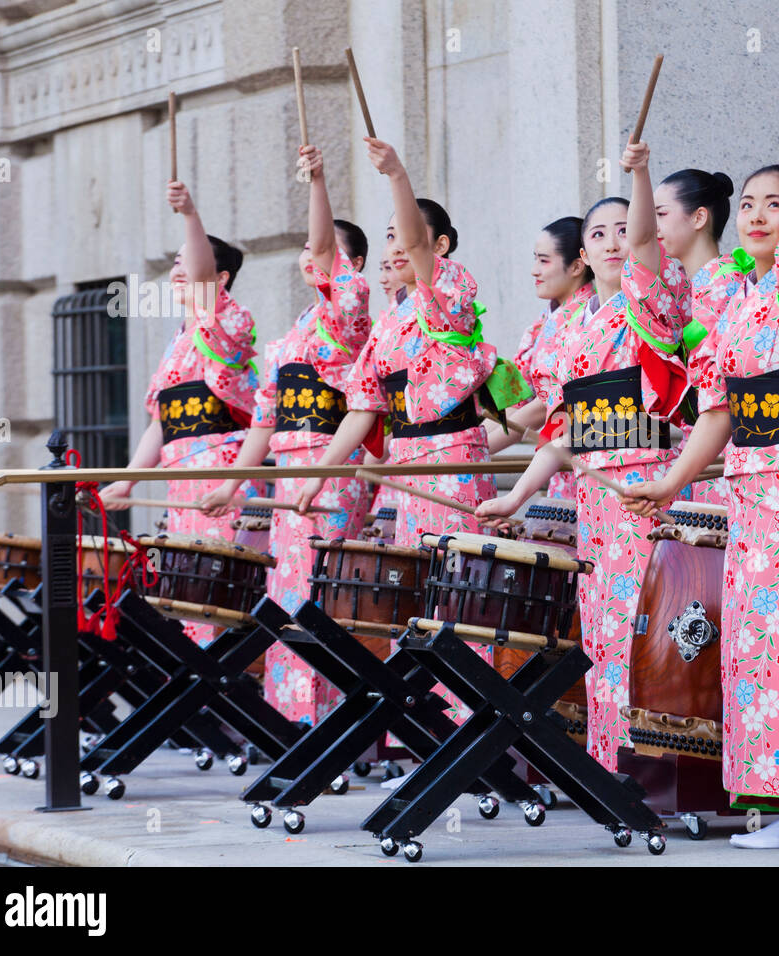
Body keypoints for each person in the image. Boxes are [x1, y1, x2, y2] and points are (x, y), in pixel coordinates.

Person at [623, 82, 779, 848]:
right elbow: (719, 413)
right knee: (758, 642)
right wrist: (672, 479)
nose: (762, 216)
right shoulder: (735, 309)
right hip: (750, 489)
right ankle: (775, 801)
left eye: (772, 203)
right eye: (750, 205)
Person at [477, 142, 691, 773]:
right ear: (584, 252)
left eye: (625, 229)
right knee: (598, 628)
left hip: (644, 482)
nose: (612, 241)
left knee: (641, 622)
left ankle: (651, 763)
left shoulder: (653, 305)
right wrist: (517, 495)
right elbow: (561, 432)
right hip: (594, 493)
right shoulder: (573, 329)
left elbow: (650, 252)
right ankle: (607, 763)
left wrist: (642, 174)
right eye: (598, 232)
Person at [201, 142, 373, 728]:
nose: (309, 255)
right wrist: (233, 486)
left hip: (331, 471)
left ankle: (331, 726)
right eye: (301, 249)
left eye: (318, 249)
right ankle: (292, 723)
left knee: (321, 596)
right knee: (287, 594)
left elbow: (326, 249)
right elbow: (266, 419)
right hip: (287, 477)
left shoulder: (348, 317)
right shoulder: (292, 334)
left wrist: (318, 182)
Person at [294, 139, 499, 546]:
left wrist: (396, 174)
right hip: (406, 464)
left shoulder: (446, 290)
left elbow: (417, 246)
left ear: (440, 246)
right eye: (389, 236)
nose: (398, 244)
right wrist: (319, 475)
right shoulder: (386, 325)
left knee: (456, 583)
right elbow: (362, 410)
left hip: (452, 459)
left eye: (404, 234)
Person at [101, 179, 260, 647]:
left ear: (219, 278)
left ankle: (225, 706)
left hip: (221, 476)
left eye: (184, 262)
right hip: (181, 480)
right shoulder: (177, 341)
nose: (176, 269)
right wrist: (128, 480)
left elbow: (203, 279)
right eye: (173, 262)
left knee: (217, 597)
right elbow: (161, 422)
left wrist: (190, 213)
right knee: (184, 600)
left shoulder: (228, 322)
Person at [485, 216, 595, 502]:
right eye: (535, 259)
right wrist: (470, 438)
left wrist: (477, 446)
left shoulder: (586, 319)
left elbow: (546, 405)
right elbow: (512, 400)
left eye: (544, 261)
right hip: (555, 455)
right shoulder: (543, 322)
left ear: (576, 266)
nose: (534, 271)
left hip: (584, 456)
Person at [653, 167, 741, 505]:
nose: (654, 227)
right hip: (704, 453)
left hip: (723, 451)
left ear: (699, 217)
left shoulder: (723, 286)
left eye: (661, 214)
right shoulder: (694, 287)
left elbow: (721, 396)